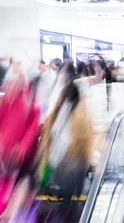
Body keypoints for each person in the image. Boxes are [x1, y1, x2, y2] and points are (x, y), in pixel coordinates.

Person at [37, 62, 93, 209]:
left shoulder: (80, 109)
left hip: (73, 164)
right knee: (63, 200)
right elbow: (50, 131)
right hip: (60, 163)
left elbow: (85, 138)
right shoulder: (59, 106)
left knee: (67, 201)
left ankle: (70, 219)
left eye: (65, 80)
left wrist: (88, 160)